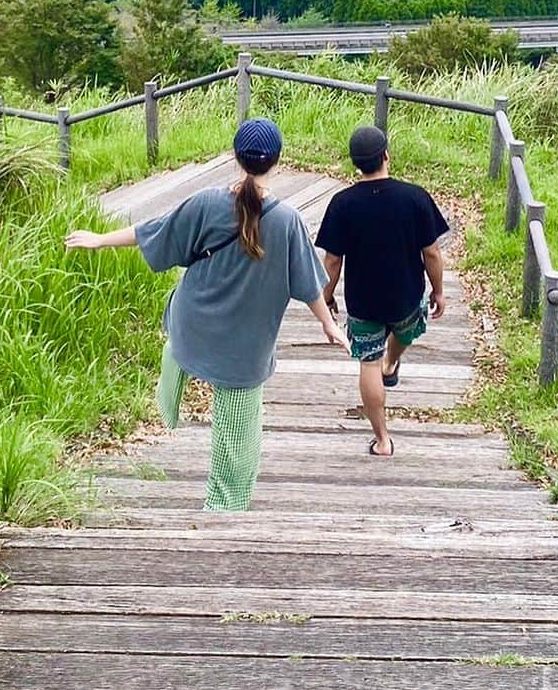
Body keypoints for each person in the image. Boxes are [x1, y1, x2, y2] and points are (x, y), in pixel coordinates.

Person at [66, 118, 349, 510]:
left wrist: (100, 241)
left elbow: (155, 231)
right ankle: (224, 508)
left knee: (177, 341)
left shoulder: (206, 204)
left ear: (236, 158)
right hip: (245, 352)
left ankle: (168, 410)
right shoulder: (287, 222)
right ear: (277, 163)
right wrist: (328, 323)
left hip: (193, 323)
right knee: (237, 434)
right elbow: (309, 284)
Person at [316, 125, 449, 458]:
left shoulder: (342, 203)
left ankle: (383, 440)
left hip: (363, 303)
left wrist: (326, 296)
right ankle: (393, 361)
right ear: (386, 155)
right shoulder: (415, 197)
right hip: (406, 296)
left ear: (355, 164)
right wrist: (439, 290)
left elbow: (333, 260)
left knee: (369, 364)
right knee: (407, 330)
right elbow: (431, 251)